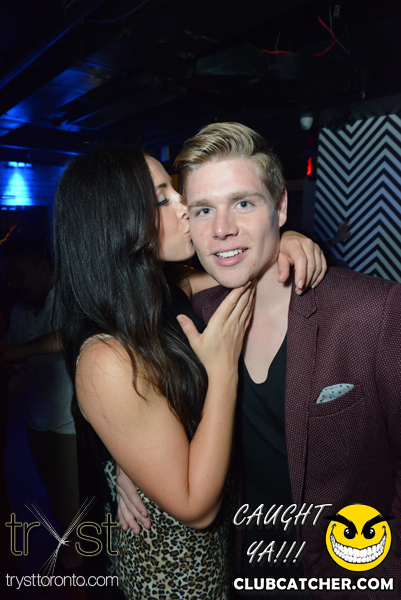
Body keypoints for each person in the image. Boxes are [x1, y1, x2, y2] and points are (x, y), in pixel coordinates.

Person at [120, 123, 401, 599]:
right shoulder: (195, 318)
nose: (222, 228)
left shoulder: (372, 311)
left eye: (243, 204)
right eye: (204, 209)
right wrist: (129, 460)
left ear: (281, 207)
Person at [53, 144, 326, 600]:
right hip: (172, 574)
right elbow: (196, 508)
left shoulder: (165, 293)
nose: (185, 206)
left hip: (221, 554)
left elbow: (243, 269)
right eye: (163, 198)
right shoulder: (105, 358)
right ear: (117, 224)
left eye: (176, 191)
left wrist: (286, 238)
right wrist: (222, 373)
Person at [1, 238, 81, 570]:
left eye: (20, 276)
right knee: (53, 491)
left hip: (69, 425)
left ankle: (82, 555)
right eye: (10, 277)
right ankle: (75, 547)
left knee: (73, 496)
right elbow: (12, 361)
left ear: (44, 269)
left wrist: (20, 351)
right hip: (37, 423)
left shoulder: (67, 299)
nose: (13, 284)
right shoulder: (21, 310)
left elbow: (70, 336)